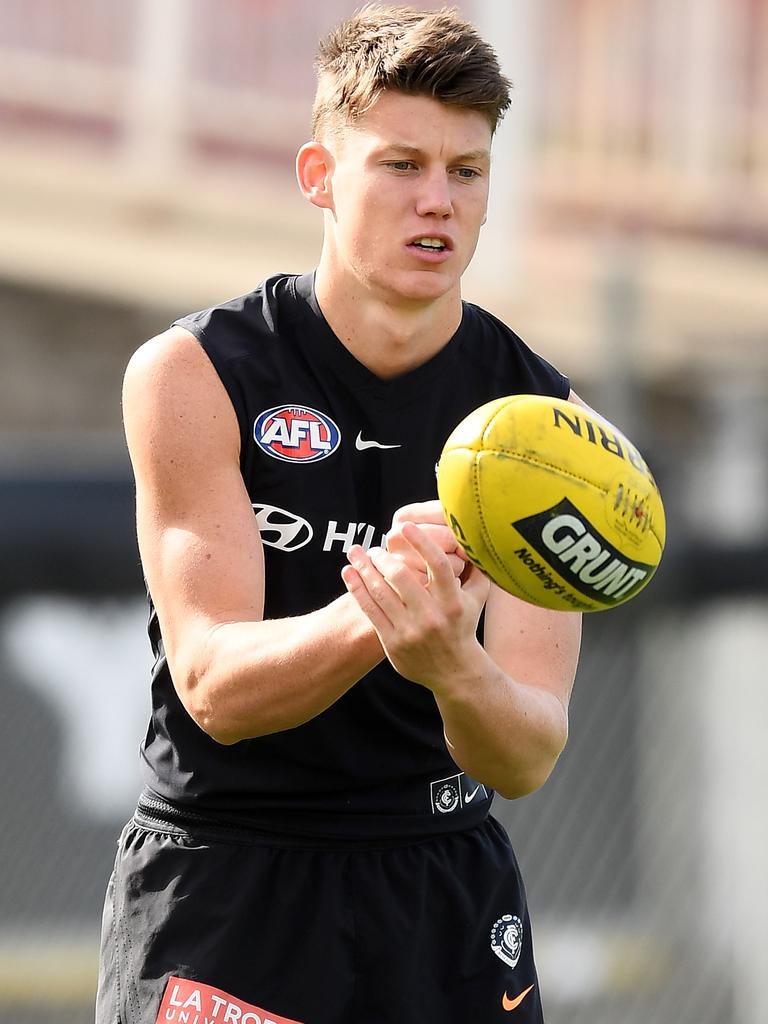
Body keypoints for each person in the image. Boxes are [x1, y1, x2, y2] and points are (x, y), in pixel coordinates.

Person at [96, 6, 583, 1023]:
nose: (437, 202)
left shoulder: (545, 430)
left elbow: (529, 751)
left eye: (466, 170)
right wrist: (385, 606)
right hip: (231, 884)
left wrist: (452, 662)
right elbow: (214, 686)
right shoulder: (195, 376)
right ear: (320, 176)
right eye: (400, 164)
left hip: (442, 891)